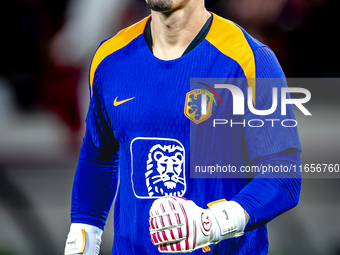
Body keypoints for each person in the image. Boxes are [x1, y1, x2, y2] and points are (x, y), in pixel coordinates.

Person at [64, 0, 302, 254]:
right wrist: (83, 236)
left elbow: (283, 176)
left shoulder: (251, 59)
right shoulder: (109, 59)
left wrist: (213, 224)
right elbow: (98, 155)